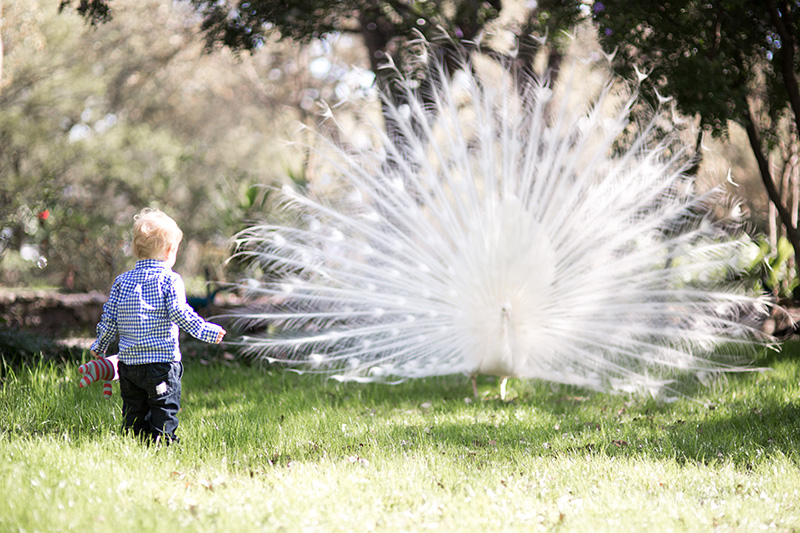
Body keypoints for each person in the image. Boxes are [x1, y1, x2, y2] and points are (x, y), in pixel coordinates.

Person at [90, 208, 226, 444]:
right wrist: (206, 330)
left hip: (129, 366)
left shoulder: (122, 281)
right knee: (164, 408)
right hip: (160, 365)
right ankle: (163, 443)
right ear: (169, 251)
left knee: (134, 408)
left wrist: (100, 345)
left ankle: (134, 442)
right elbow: (179, 312)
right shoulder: (170, 279)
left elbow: (109, 318)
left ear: (135, 249)